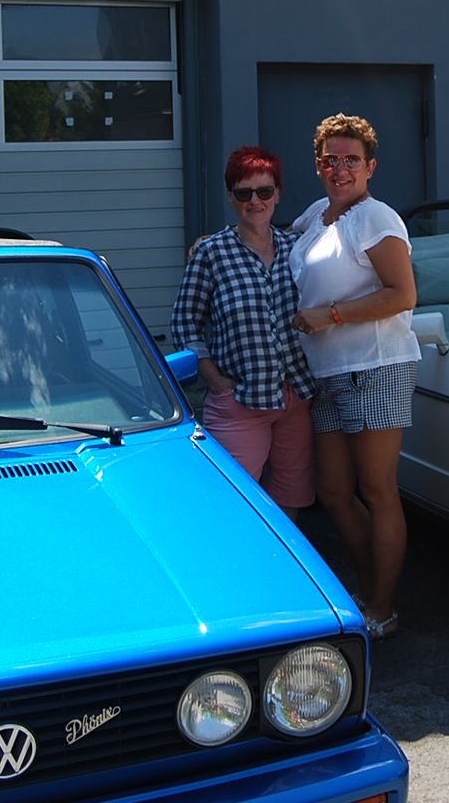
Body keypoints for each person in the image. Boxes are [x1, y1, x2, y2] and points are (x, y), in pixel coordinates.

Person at [288, 113, 418, 639]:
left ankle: (383, 608)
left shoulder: (376, 218)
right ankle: (368, 589)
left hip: (375, 366)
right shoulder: (316, 215)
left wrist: (332, 315)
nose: (340, 170)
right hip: (324, 371)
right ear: (318, 165)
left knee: (376, 490)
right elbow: (272, 239)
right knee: (335, 491)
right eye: (330, 160)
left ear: (370, 167)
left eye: (351, 161)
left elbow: (402, 294)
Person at [170, 146, 317, 517]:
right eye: (244, 193)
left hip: (295, 397)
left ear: (278, 194)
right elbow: (185, 321)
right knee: (232, 504)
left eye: (264, 191)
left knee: (290, 501)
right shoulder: (211, 253)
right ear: (231, 197)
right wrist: (214, 380)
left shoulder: (297, 248)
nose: (255, 201)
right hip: (239, 400)